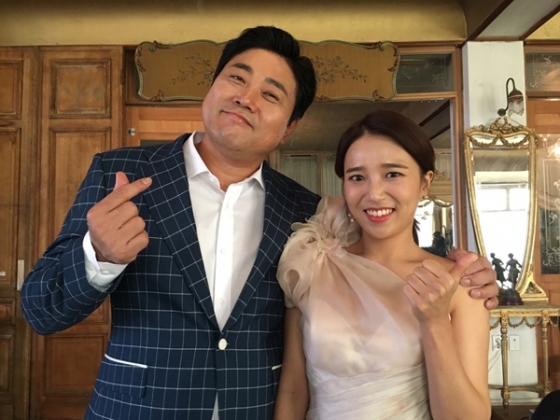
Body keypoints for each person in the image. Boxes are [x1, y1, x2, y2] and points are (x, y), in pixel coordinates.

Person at [21, 27, 498, 420]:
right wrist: (98, 257)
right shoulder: (122, 176)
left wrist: (470, 272)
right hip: (139, 409)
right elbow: (41, 311)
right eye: (236, 78)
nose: (246, 99)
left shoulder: (305, 211)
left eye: (271, 94)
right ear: (211, 87)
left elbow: (380, 251)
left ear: (289, 126)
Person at [274, 110, 491, 419]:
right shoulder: (313, 265)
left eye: (392, 174)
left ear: (425, 183)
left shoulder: (461, 283)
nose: (374, 194)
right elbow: (293, 390)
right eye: (357, 177)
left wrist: (435, 322)